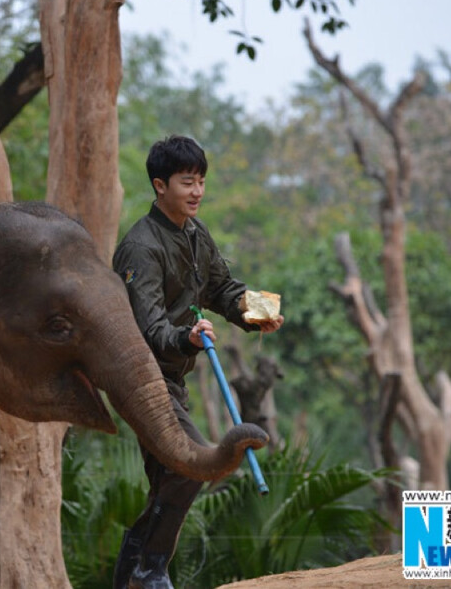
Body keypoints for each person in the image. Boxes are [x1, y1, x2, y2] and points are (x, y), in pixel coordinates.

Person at [111, 135, 284, 589]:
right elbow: (148, 332)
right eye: (187, 182)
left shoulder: (194, 233)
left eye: (201, 182)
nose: (197, 192)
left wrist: (257, 312)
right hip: (142, 380)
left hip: (174, 381)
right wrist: (187, 338)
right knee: (189, 465)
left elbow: (221, 289)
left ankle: (133, 572)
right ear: (159, 185)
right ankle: (150, 571)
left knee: (169, 479)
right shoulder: (141, 247)